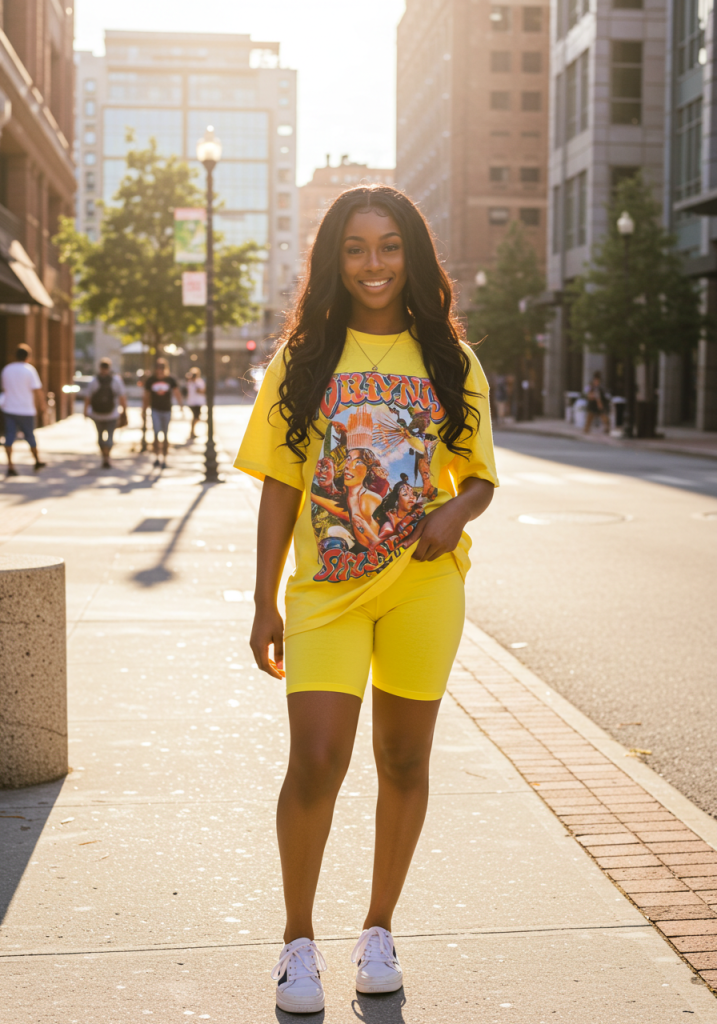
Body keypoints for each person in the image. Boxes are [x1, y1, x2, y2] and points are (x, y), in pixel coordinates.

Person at [234, 185, 498, 1014]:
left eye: (389, 247)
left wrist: (452, 511)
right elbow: (279, 486)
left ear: (411, 256)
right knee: (316, 761)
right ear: (333, 260)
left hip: (424, 586)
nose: (374, 264)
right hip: (327, 594)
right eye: (355, 248)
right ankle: (296, 942)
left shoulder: (449, 359)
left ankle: (378, 927)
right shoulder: (304, 359)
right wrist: (263, 600)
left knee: (405, 760)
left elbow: (481, 476)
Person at [1, 344, 47, 477]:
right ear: (28, 357)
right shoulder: (29, 370)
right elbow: (37, 390)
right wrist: (42, 405)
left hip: (9, 408)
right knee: (30, 436)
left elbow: (5, 389)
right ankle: (37, 461)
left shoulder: (7, 369)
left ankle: (10, 465)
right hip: (26, 409)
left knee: (9, 436)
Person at [84, 357, 127, 469]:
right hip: (102, 414)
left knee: (104, 438)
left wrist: (85, 411)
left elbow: (88, 397)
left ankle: (106, 457)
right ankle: (106, 457)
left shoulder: (96, 381)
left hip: (108, 414)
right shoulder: (114, 380)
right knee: (106, 438)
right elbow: (122, 397)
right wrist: (124, 411)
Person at [142, 357, 183, 468]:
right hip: (155, 410)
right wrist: (144, 410)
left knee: (165, 435)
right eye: (158, 367)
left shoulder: (170, 379)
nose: (159, 370)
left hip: (167, 410)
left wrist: (181, 406)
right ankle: (156, 457)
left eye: (162, 367)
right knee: (156, 434)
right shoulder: (151, 380)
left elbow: (177, 392)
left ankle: (164, 458)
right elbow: (146, 396)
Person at [185, 366, 205, 440]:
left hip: (198, 402)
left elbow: (202, 390)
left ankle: (192, 431)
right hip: (192, 402)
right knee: (195, 417)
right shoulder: (189, 382)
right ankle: (192, 432)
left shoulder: (199, 381)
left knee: (197, 417)